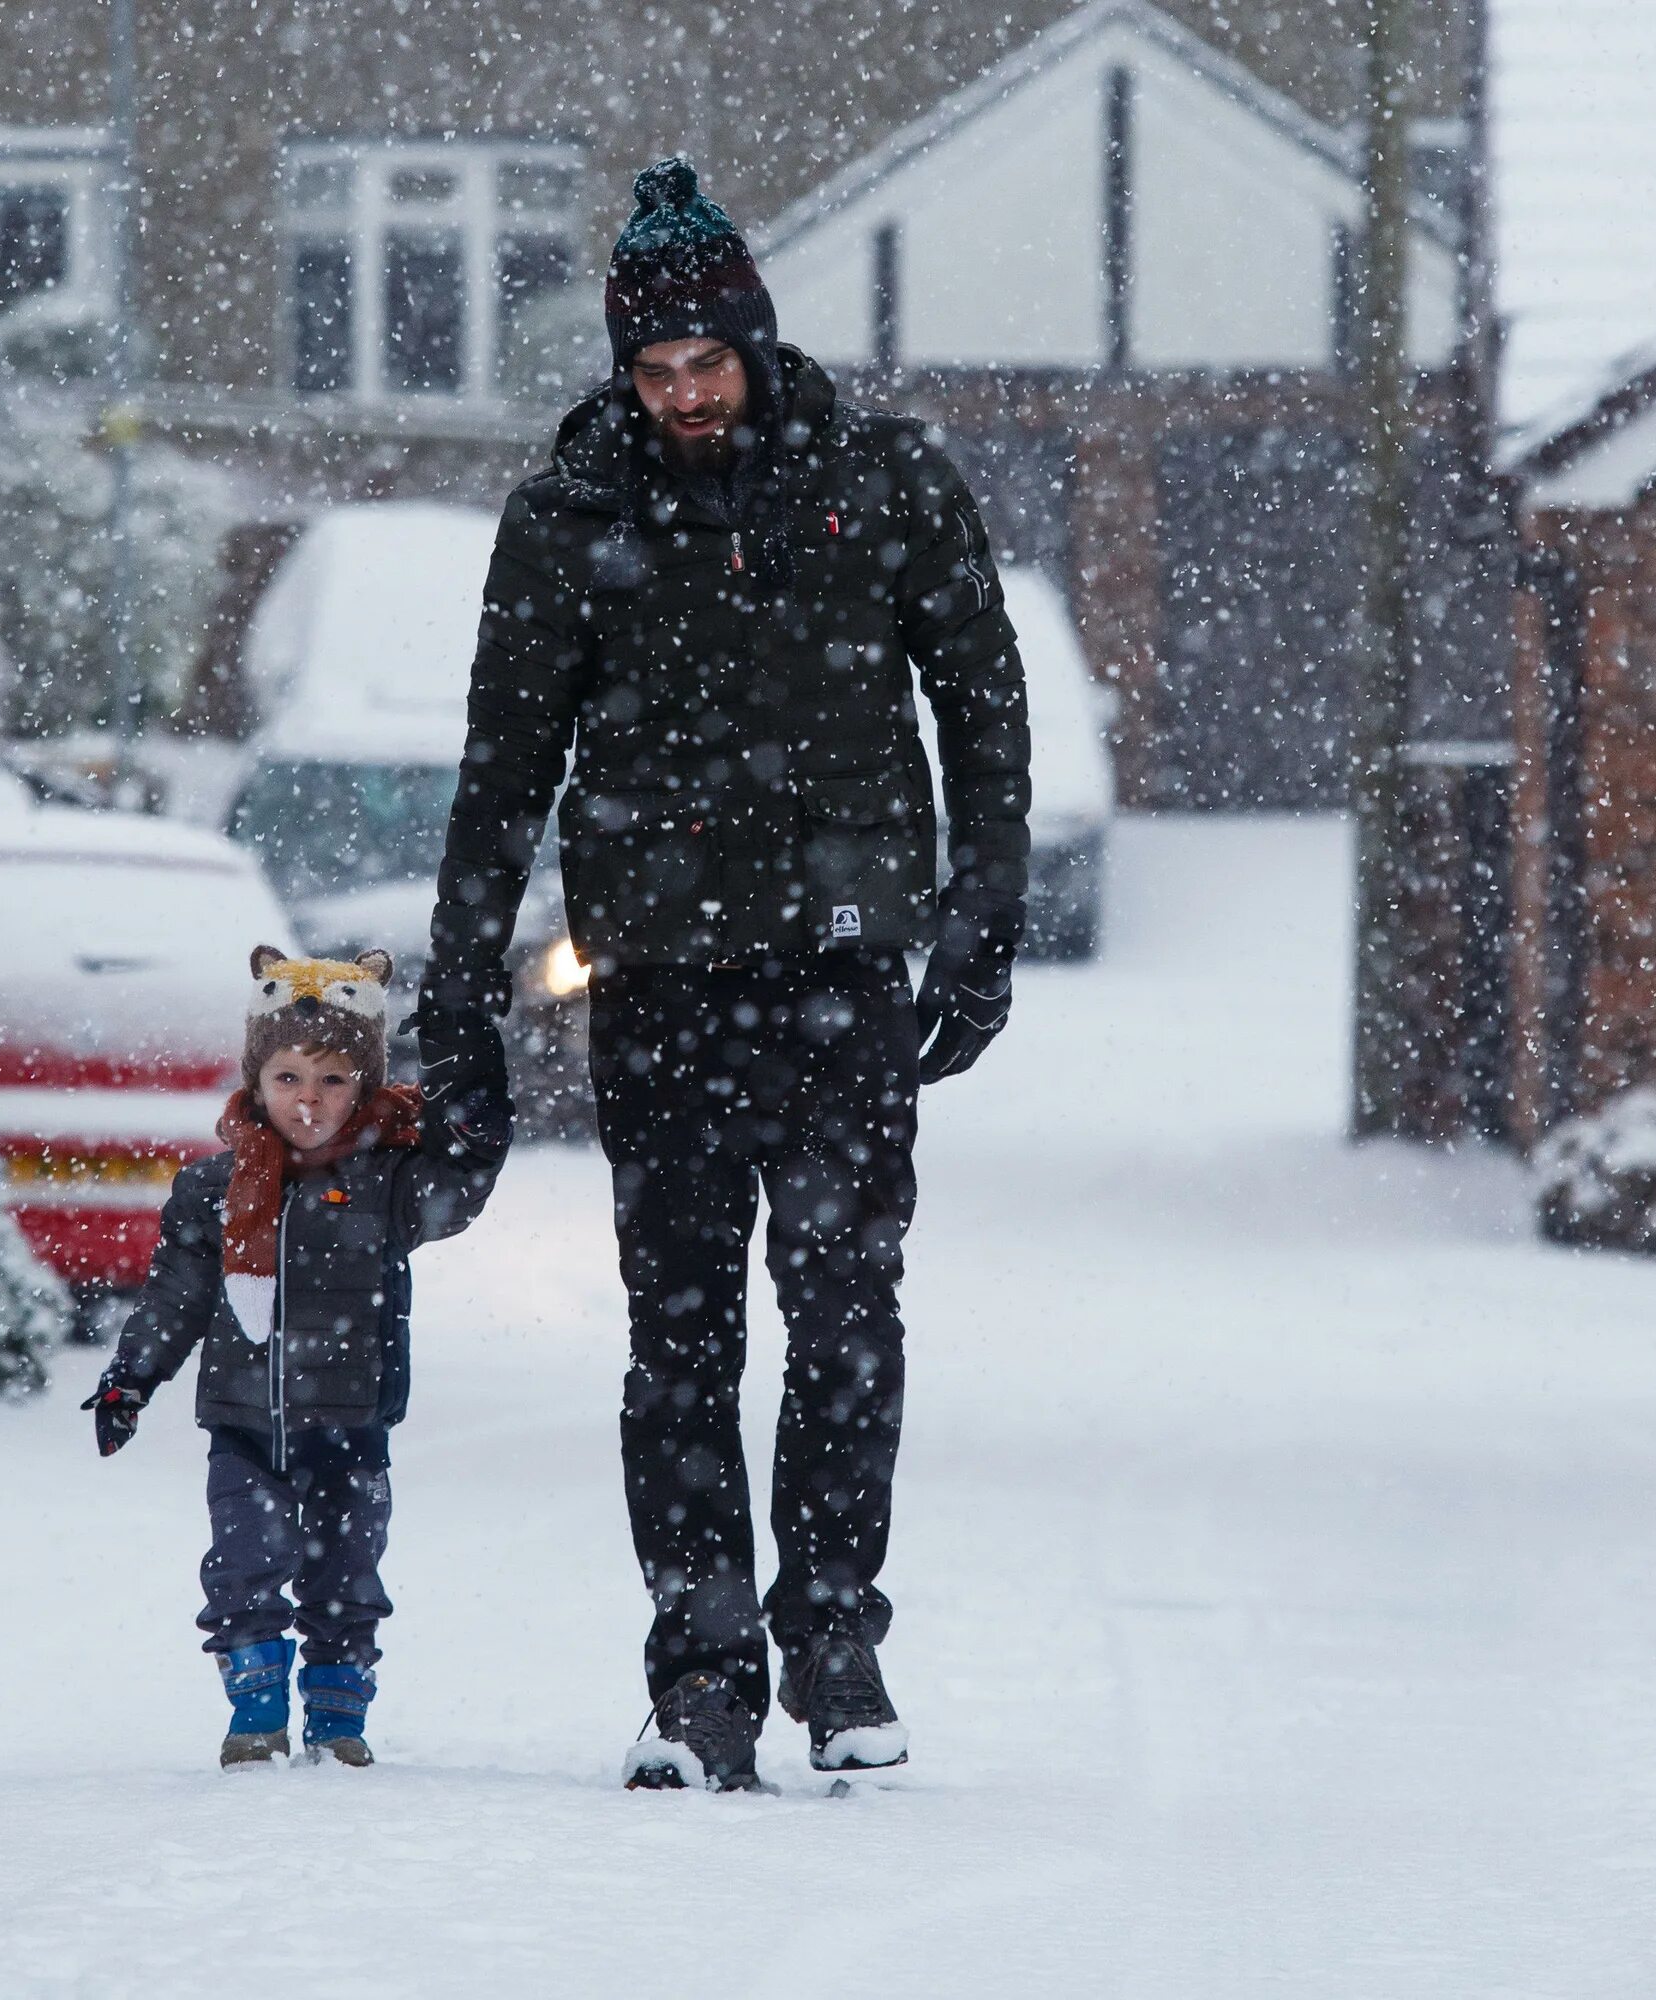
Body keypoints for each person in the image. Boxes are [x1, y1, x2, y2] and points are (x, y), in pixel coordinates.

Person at [414, 157, 1031, 1792]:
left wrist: (979, 924)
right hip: (662, 977)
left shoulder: (880, 481)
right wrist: (458, 992)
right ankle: (701, 1675)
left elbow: (983, 702)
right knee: (678, 1338)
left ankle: (834, 1642)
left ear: (755, 346)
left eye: (707, 365)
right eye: (654, 372)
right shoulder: (571, 517)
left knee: (842, 1312)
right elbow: (502, 765)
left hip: (841, 966)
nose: (683, 396)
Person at [84, 945, 507, 1769]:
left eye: (333, 1082)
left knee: (347, 1579)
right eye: (287, 1079)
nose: (308, 1101)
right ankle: (255, 1712)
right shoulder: (211, 1188)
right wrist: (130, 1378)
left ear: (366, 1087)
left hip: (352, 1423)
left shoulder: (391, 1182)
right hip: (244, 1424)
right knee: (243, 1567)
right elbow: (177, 1296)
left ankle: (339, 1718)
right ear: (255, 1078)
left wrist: (479, 1137)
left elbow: (457, 1197)